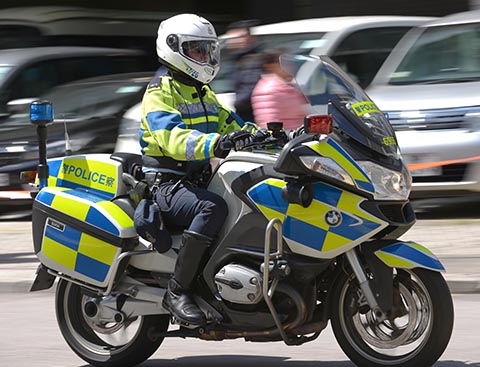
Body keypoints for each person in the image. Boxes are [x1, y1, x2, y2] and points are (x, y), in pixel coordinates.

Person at [140, 14, 263, 326]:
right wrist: (216, 144)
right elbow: (173, 138)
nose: (205, 57)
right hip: (167, 185)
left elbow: (232, 124)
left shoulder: (202, 91)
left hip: (196, 178)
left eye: (208, 50)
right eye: (197, 50)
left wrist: (273, 136)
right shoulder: (160, 92)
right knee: (212, 207)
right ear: (173, 49)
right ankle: (177, 290)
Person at [251, 48, 308, 130]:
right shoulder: (267, 91)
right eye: (285, 63)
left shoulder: (289, 86)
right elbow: (269, 124)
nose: (290, 66)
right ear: (271, 66)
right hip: (287, 140)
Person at [224, 19, 263, 122]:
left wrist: (233, 105)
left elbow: (249, 91)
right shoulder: (237, 59)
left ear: (250, 38)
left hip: (250, 117)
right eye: (230, 38)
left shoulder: (252, 61)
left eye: (239, 37)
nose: (233, 41)